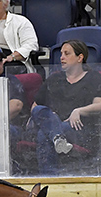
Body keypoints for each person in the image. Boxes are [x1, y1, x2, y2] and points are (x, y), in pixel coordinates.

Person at [29, 40, 101, 175]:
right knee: (39, 112)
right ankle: (58, 138)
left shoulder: (94, 78)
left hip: (78, 128)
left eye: (67, 54)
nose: (61, 57)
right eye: (61, 54)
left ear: (80, 58)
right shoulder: (54, 78)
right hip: (55, 125)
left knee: (43, 134)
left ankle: (48, 178)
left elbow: (99, 105)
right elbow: (36, 106)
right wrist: (50, 118)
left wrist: (79, 110)